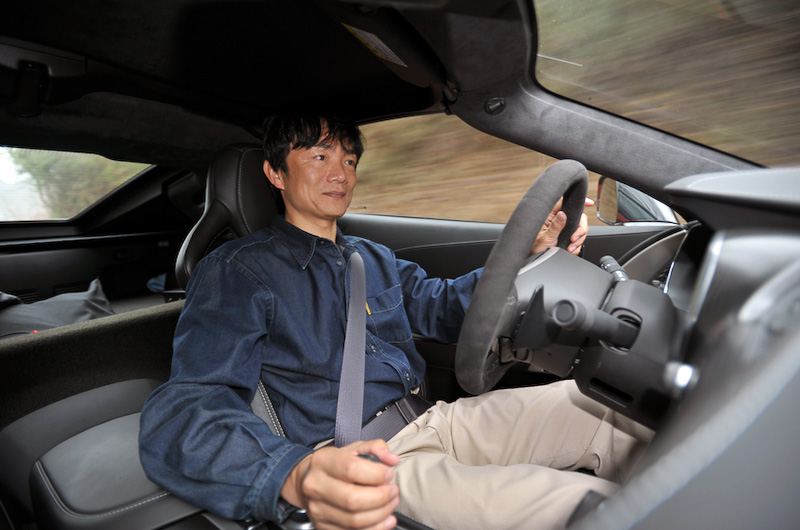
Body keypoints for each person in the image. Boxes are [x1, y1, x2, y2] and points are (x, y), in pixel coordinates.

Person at [139, 113, 650, 530]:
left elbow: (447, 308)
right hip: (363, 461)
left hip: (436, 420)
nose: (341, 174)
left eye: (349, 159)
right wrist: (292, 474)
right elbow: (188, 406)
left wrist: (531, 255)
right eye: (319, 156)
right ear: (276, 174)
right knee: (583, 506)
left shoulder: (372, 257)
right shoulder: (238, 271)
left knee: (609, 408)